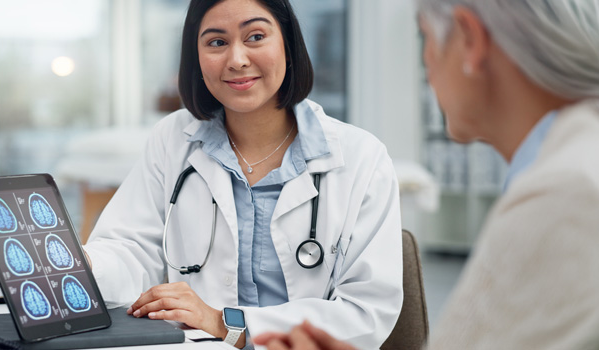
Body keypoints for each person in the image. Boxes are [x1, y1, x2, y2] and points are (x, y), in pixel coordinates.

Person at [253, 0, 599, 349]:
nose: (427, 65)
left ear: (469, 39)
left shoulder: (568, 192)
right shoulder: (566, 164)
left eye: (427, 38)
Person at [82, 0, 404, 348]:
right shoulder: (173, 139)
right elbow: (130, 250)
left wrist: (225, 324)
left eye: (255, 36)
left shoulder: (361, 158)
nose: (236, 60)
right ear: (197, 60)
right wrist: (77, 264)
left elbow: (365, 313)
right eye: (216, 42)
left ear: (288, 46)